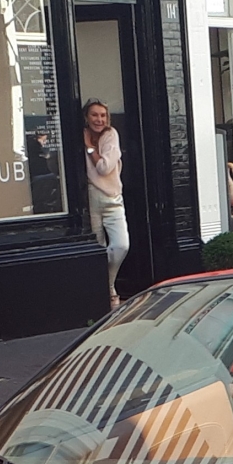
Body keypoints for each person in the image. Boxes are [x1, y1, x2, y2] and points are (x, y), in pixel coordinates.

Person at [83, 99, 125, 313]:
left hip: (113, 198)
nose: (99, 119)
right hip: (91, 198)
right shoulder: (79, 135)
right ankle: (108, 291)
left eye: (102, 115)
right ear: (86, 117)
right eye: (94, 115)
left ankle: (107, 284)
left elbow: (104, 167)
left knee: (121, 245)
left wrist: (90, 148)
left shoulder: (111, 135)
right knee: (98, 248)